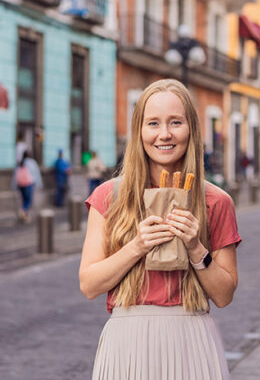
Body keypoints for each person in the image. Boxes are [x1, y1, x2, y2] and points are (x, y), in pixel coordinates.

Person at [79, 79, 240, 379]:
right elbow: (89, 284)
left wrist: (196, 249)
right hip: (126, 344)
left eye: (175, 122)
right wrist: (137, 246)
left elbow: (224, 295)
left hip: (192, 340)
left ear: (191, 128)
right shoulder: (108, 197)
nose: (164, 134)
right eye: (153, 123)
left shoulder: (216, 202)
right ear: (139, 132)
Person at [16, 150, 42, 222]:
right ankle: (22, 211)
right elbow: (36, 174)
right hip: (29, 184)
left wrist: (15, 186)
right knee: (28, 201)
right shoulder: (32, 162)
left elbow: (15, 175)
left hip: (21, 185)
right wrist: (39, 184)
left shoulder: (20, 163)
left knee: (24, 200)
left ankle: (25, 217)